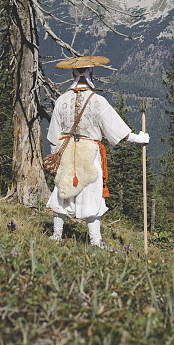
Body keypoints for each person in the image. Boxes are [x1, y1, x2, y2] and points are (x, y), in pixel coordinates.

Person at [46, 55, 149, 247]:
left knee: (62, 191)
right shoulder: (98, 101)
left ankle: (56, 235)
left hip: (66, 151)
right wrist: (139, 138)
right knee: (91, 194)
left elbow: (53, 135)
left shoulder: (62, 100)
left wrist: (57, 156)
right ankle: (94, 240)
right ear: (91, 73)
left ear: (72, 74)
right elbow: (117, 130)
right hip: (89, 154)